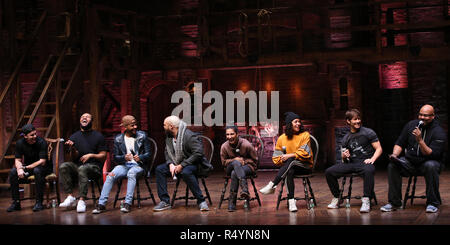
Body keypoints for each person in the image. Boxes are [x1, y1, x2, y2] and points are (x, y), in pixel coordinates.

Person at [381, 104, 446, 213]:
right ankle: (394, 202)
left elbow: (432, 154)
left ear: (433, 116)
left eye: (425, 115)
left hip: (429, 163)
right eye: (420, 114)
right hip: (410, 163)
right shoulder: (411, 125)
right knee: (393, 166)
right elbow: (400, 143)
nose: (422, 117)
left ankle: (432, 203)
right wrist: (395, 155)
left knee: (431, 165)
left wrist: (420, 140)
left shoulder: (438, 131)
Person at [324, 109, 382, 213]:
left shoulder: (368, 132)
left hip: (365, 162)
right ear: (348, 121)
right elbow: (344, 158)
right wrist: (344, 156)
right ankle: (338, 197)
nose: (358, 121)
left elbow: (379, 149)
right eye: (355, 119)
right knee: (329, 172)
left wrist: (372, 159)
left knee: (368, 171)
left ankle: (366, 200)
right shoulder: (346, 137)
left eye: (359, 119)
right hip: (352, 163)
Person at [92, 115, 151, 214]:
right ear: (125, 127)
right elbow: (115, 157)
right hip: (124, 165)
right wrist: (124, 157)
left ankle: (127, 203)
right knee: (111, 175)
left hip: (139, 166)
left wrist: (141, 157)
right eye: (132, 125)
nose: (135, 127)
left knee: (131, 173)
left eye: (136, 124)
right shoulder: (118, 139)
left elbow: (149, 154)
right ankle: (101, 204)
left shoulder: (142, 136)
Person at [153, 115, 212, 212]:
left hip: (194, 164)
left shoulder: (188, 136)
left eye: (165, 125)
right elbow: (167, 152)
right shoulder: (169, 137)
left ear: (171, 126)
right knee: (160, 169)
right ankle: (165, 201)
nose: (163, 127)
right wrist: (170, 164)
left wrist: (182, 165)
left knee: (186, 172)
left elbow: (198, 153)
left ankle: (201, 201)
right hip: (177, 164)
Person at [259, 112, 314, 212]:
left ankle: (272, 185)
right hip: (290, 167)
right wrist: (283, 158)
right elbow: (276, 158)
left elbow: (305, 153)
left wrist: (289, 155)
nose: (298, 124)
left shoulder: (305, 135)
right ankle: (291, 201)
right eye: (295, 122)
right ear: (289, 124)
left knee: (291, 160)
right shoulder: (282, 138)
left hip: (304, 166)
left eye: (299, 122)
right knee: (290, 169)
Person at [58, 113, 107, 213]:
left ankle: (81, 200)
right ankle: (70, 197)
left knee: (82, 168)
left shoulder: (98, 136)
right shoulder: (74, 136)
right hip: (79, 166)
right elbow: (73, 157)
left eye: (87, 117)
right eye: (82, 117)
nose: (84, 117)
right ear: (80, 121)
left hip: (95, 167)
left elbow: (103, 156)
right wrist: (72, 149)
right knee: (64, 166)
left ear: (91, 121)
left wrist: (91, 155)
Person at [7, 124, 51, 212]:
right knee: (13, 172)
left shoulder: (41, 142)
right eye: (32, 135)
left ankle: (39, 202)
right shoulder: (20, 143)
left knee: (37, 170)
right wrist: (19, 169)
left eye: (35, 134)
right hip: (29, 168)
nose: (35, 136)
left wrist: (25, 168)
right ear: (25, 136)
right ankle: (16, 202)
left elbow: (42, 161)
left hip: (43, 168)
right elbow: (17, 160)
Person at [220, 125, 258, 211]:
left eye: (232, 134)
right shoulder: (224, 146)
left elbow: (255, 160)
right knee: (236, 164)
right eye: (227, 134)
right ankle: (245, 190)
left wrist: (244, 161)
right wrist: (234, 160)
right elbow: (223, 162)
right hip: (229, 167)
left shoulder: (246, 144)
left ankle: (232, 202)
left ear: (237, 134)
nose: (229, 137)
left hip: (247, 167)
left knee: (235, 173)